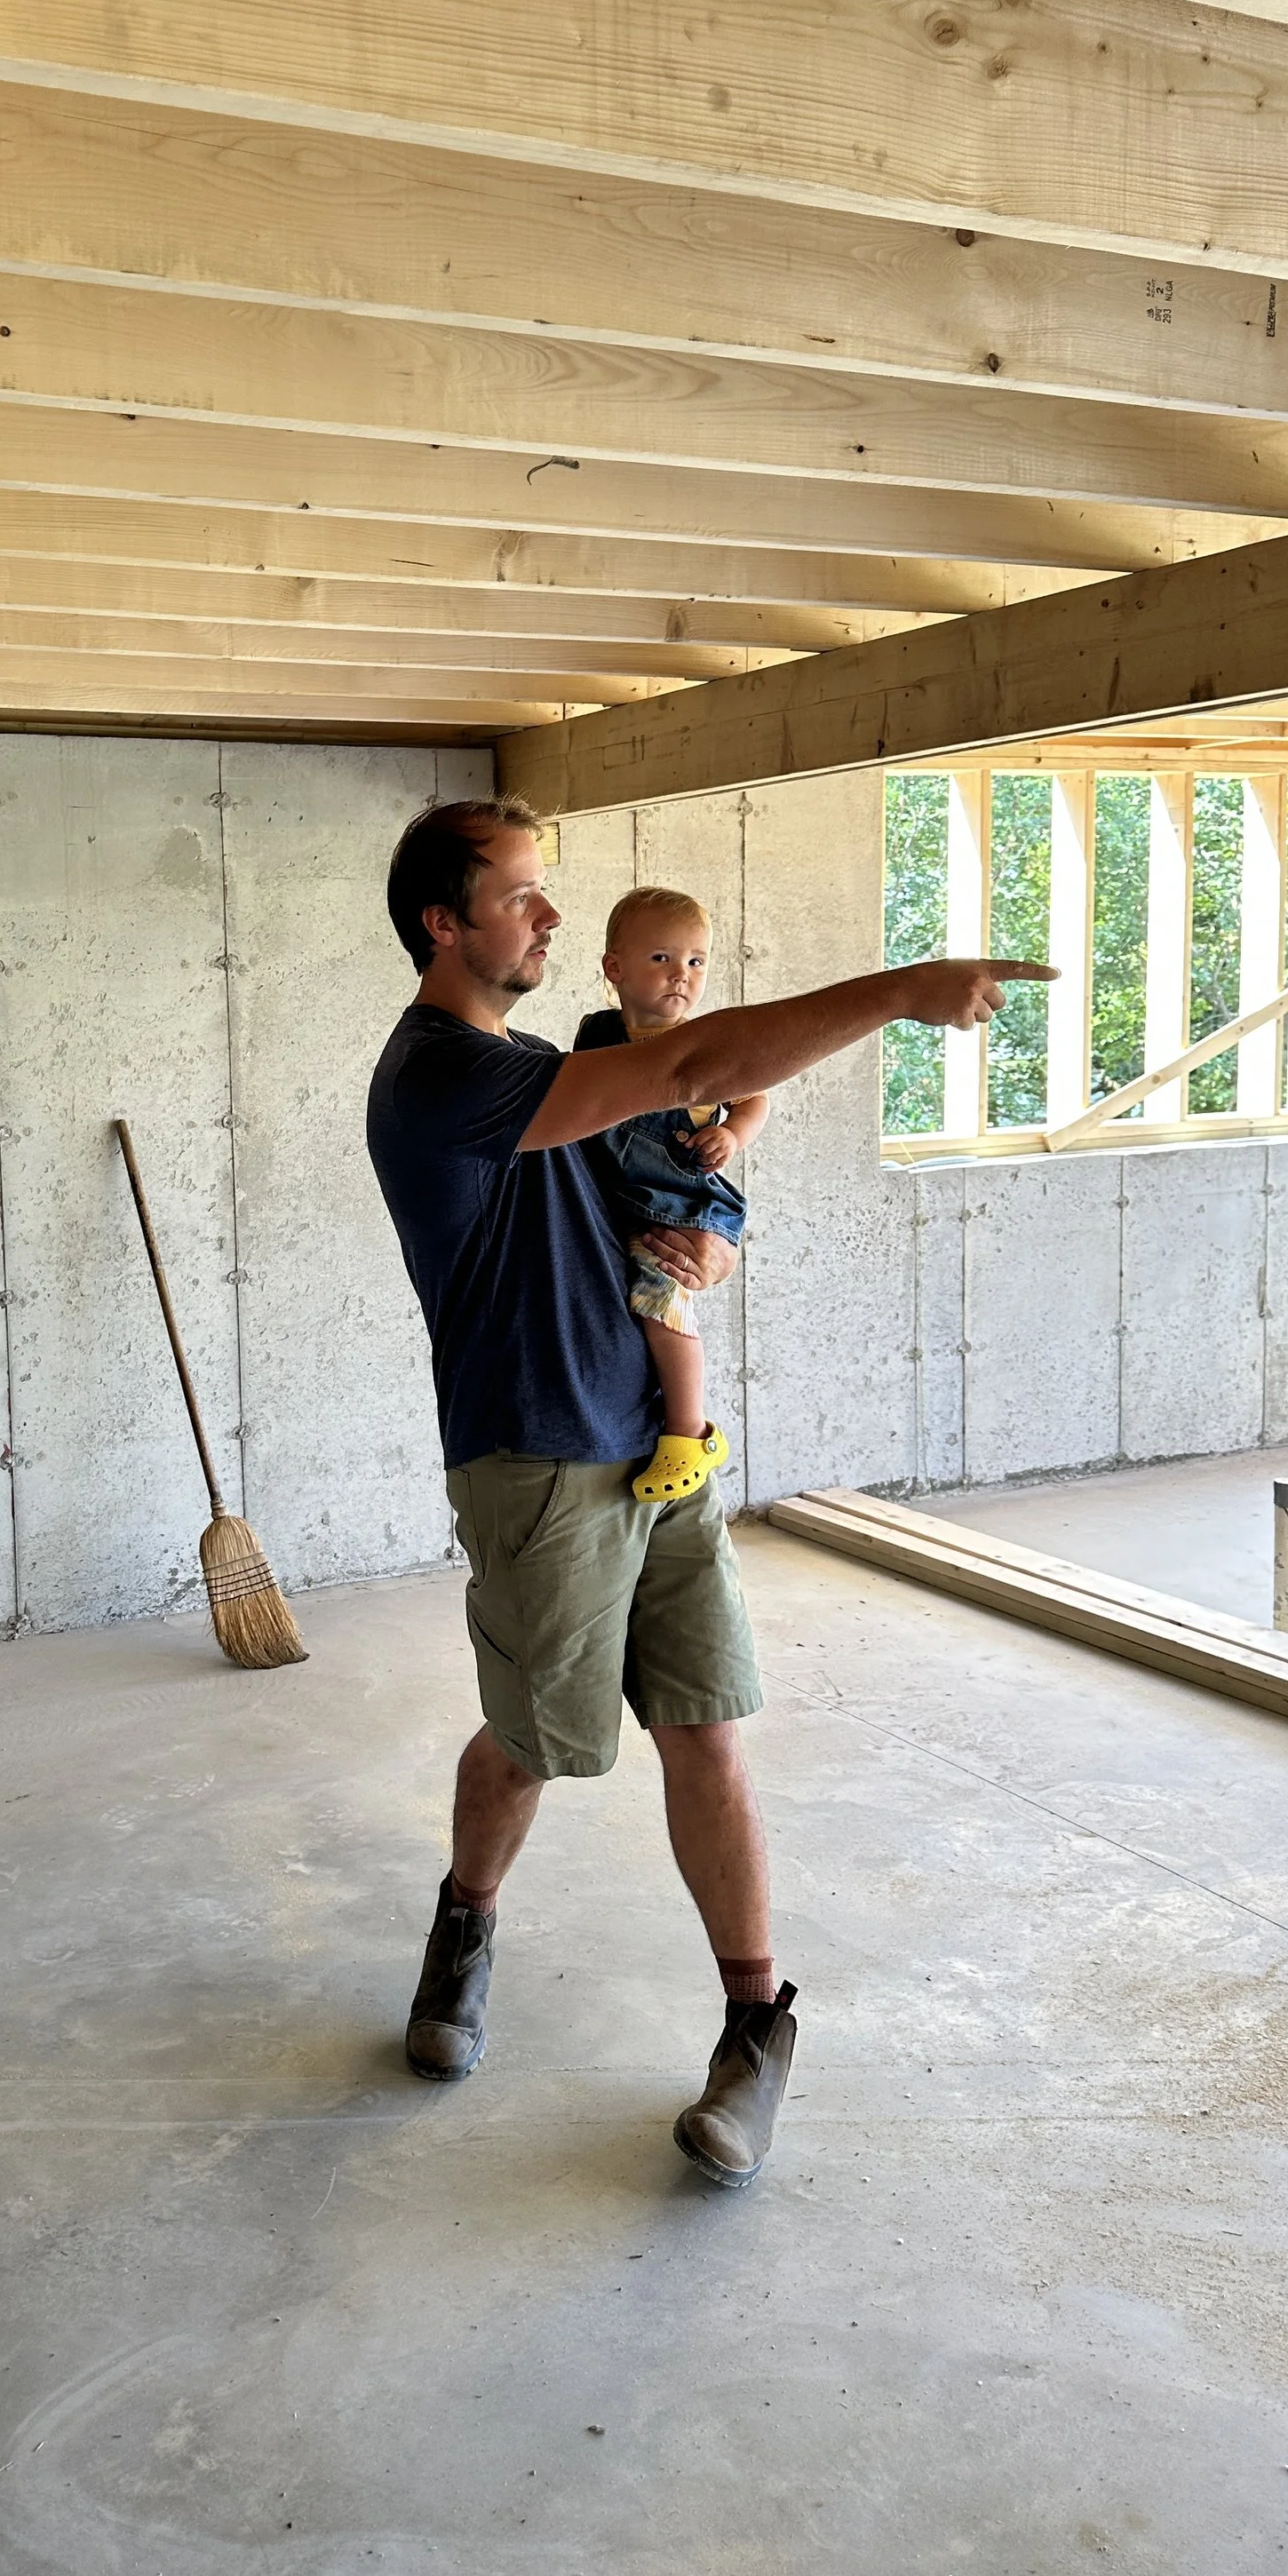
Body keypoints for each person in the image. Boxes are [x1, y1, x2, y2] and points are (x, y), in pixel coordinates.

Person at [364, 795, 1052, 2187]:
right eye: (520, 894)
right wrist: (905, 991)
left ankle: (756, 2027)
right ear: (445, 923)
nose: (550, 915)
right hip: (537, 1461)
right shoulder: (442, 1074)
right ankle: (463, 1925)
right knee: (536, 1739)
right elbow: (705, 1058)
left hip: (661, 1453)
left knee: (707, 1732)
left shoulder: (534, 1056)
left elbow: (654, 1174)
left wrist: (705, 1250)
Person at [572, 885, 767, 1508]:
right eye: (661, 959)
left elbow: (757, 1094)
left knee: (662, 1302)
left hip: (688, 1205)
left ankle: (689, 1431)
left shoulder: (713, 1045)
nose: (682, 975)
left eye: (696, 961)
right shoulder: (596, 1037)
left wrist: (732, 1134)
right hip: (625, 1200)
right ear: (615, 969)